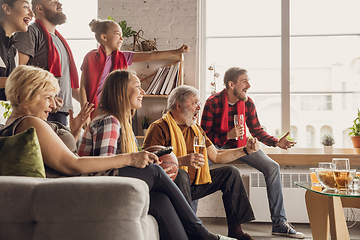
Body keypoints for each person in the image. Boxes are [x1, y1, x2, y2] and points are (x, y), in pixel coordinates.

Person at [1, 65, 235, 240]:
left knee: (160, 199)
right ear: (22, 97)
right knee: (154, 172)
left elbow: (62, 154)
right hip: (74, 186)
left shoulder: (24, 124)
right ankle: (198, 231)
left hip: (70, 184)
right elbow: (72, 164)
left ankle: (195, 234)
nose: (54, 105)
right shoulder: (30, 122)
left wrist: (73, 130)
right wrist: (132, 158)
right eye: (47, 98)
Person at [143, 85, 260, 240]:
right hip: (171, 187)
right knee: (182, 173)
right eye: (194, 103)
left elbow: (216, 155)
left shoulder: (196, 129)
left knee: (231, 173)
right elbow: (150, 165)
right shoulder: (158, 128)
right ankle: (192, 230)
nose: (199, 107)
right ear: (179, 105)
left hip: (194, 185)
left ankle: (236, 231)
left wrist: (245, 150)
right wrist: (181, 161)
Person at [200, 67, 305, 239]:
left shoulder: (248, 103)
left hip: (242, 146)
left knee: (272, 167)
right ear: (231, 84)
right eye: (244, 81)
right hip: (217, 146)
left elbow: (256, 130)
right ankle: (188, 221)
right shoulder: (212, 102)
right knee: (197, 167)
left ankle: (279, 223)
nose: (249, 85)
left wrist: (276, 142)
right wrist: (227, 135)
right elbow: (203, 136)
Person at [79, 18, 190, 117]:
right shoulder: (90, 58)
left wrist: (177, 51)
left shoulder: (123, 56)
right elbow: (83, 87)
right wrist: (84, 115)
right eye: (117, 34)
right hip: (94, 111)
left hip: (116, 110)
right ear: (104, 37)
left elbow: (151, 55)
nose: (121, 38)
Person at [13, 0, 79, 126]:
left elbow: (71, 85)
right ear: (39, 9)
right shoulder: (30, 32)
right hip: (40, 110)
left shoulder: (60, 40)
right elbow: (18, 75)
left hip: (62, 111)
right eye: (53, 2)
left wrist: (93, 109)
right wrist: (47, 97)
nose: (59, 4)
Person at [0, 0, 33, 100]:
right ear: (7, 9)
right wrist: (20, 81)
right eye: (25, 7)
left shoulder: (13, 51)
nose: (32, 14)